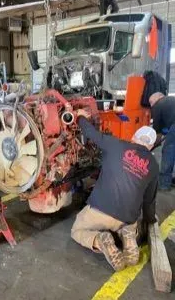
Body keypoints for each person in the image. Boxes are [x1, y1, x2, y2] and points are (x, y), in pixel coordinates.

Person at [71, 110, 159, 271]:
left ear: (133, 137)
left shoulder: (116, 144)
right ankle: (128, 234)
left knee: (77, 230)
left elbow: (91, 133)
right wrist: (150, 221)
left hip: (100, 210)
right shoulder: (153, 165)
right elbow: (149, 201)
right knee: (129, 227)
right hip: (127, 218)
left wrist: (80, 117)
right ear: (151, 146)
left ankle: (98, 240)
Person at [149, 92, 175, 191]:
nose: (151, 105)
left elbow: (157, 131)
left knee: (168, 152)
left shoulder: (158, 105)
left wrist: (152, 145)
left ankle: (164, 184)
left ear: (158, 98)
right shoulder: (170, 100)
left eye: (151, 102)